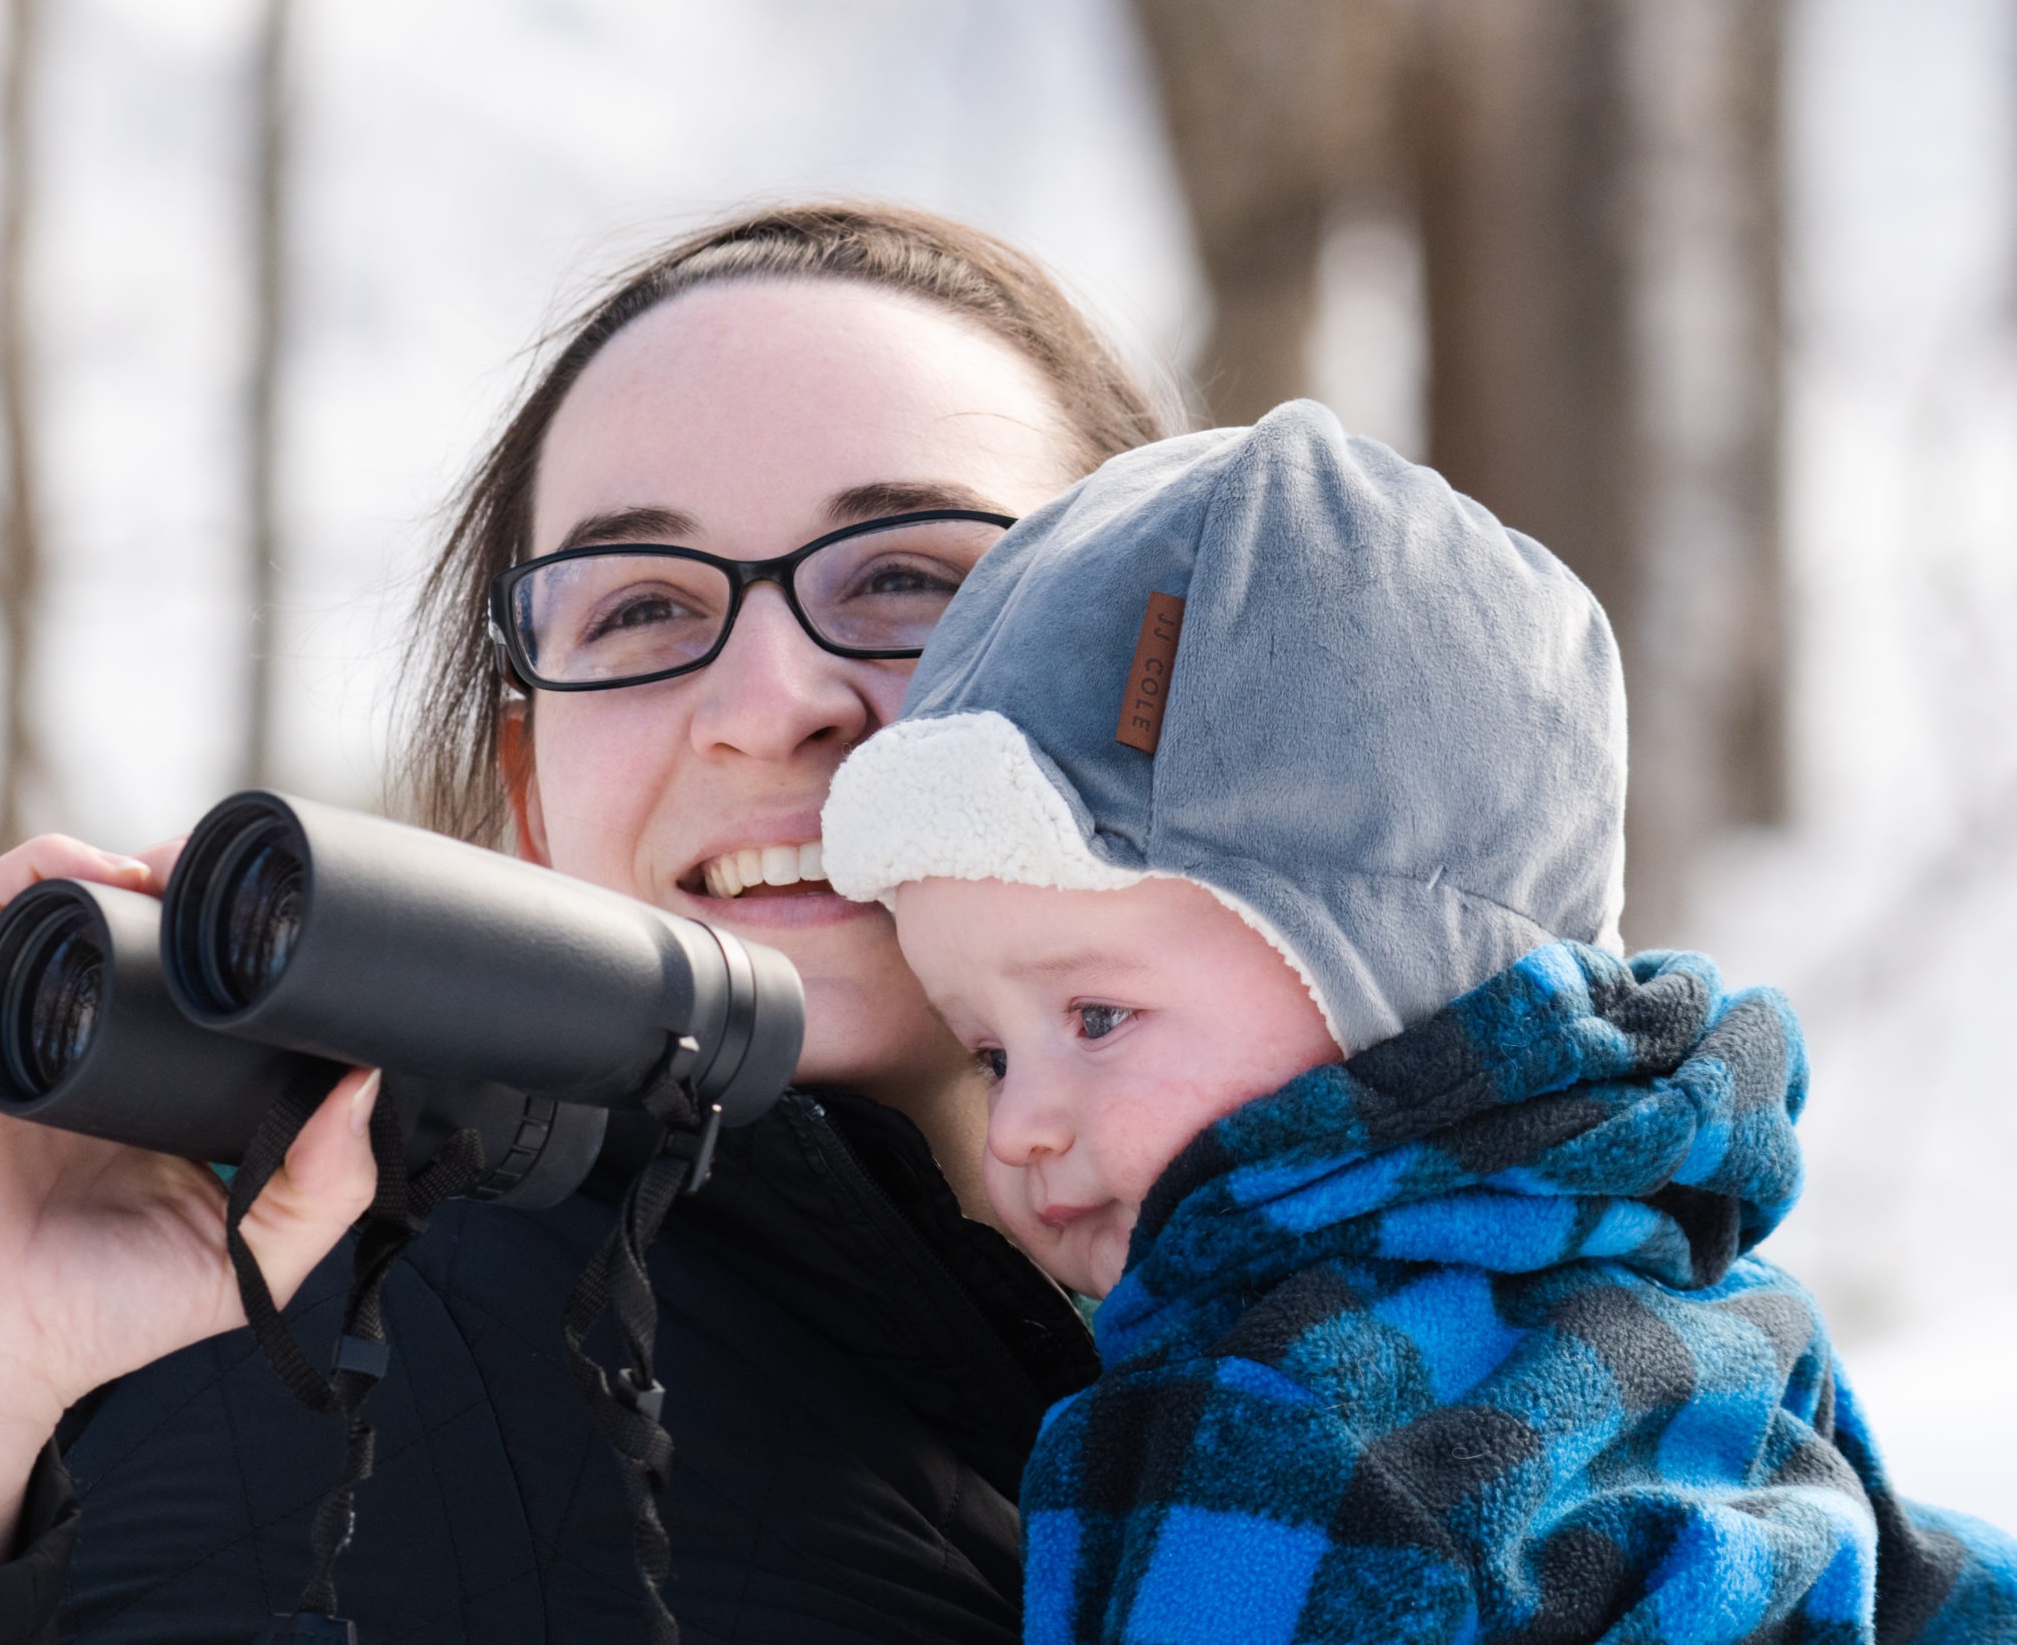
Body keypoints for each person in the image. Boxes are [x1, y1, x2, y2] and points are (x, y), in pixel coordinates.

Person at [0, 203, 1185, 1644]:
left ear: (1171, 689)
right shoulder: (364, 1397)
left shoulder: (1351, 1308)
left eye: (913, 577)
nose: (769, 702)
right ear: (530, 797)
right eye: (642, 606)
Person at [816, 399, 2017, 1643]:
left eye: (1100, 1016)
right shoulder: (1710, 1287)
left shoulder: (1261, 1420)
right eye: (991, 1054)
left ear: (1388, 976)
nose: (1016, 1125)